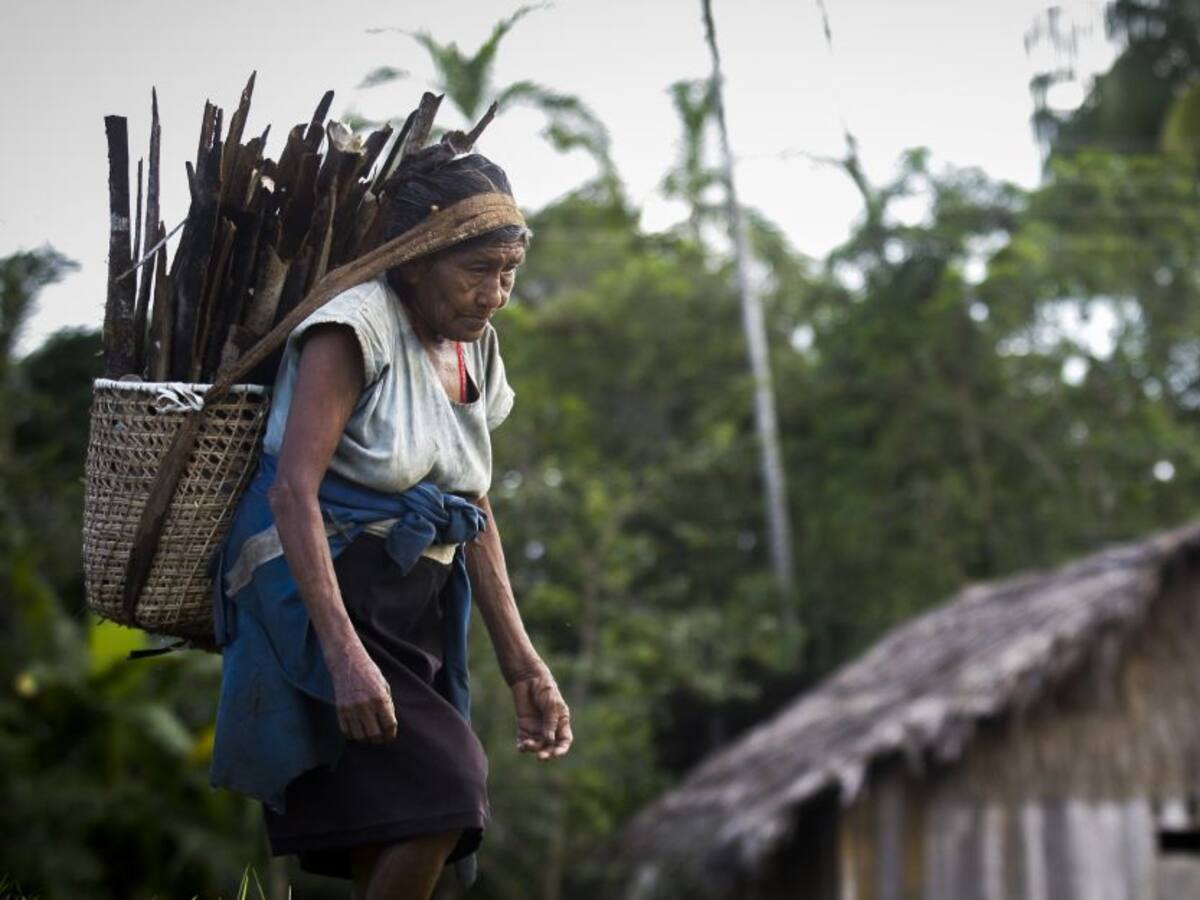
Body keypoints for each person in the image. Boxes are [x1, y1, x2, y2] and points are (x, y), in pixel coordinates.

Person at [209, 146, 572, 900]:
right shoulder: (352, 329)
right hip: (322, 592)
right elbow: (293, 493)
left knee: (396, 822)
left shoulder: (476, 345)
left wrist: (523, 664)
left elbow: (472, 503)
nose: (496, 294)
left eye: (509, 271)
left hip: (414, 603)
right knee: (449, 789)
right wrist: (342, 655)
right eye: (478, 270)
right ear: (414, 260)